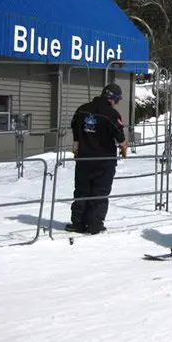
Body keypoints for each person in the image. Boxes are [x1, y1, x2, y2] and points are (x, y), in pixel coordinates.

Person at [66, 83, 127, 235]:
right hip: (104, 161)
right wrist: (124, 149)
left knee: (81, 191)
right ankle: (95, 225)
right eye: (117, 99)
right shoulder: (111, 114)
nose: (117, 103)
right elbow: (121, 138)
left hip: (84, 159)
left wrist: (76, 149)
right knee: (100, 193)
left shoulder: (82, 109)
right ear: (112, 98)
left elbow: (75, 131)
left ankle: (78, 224)